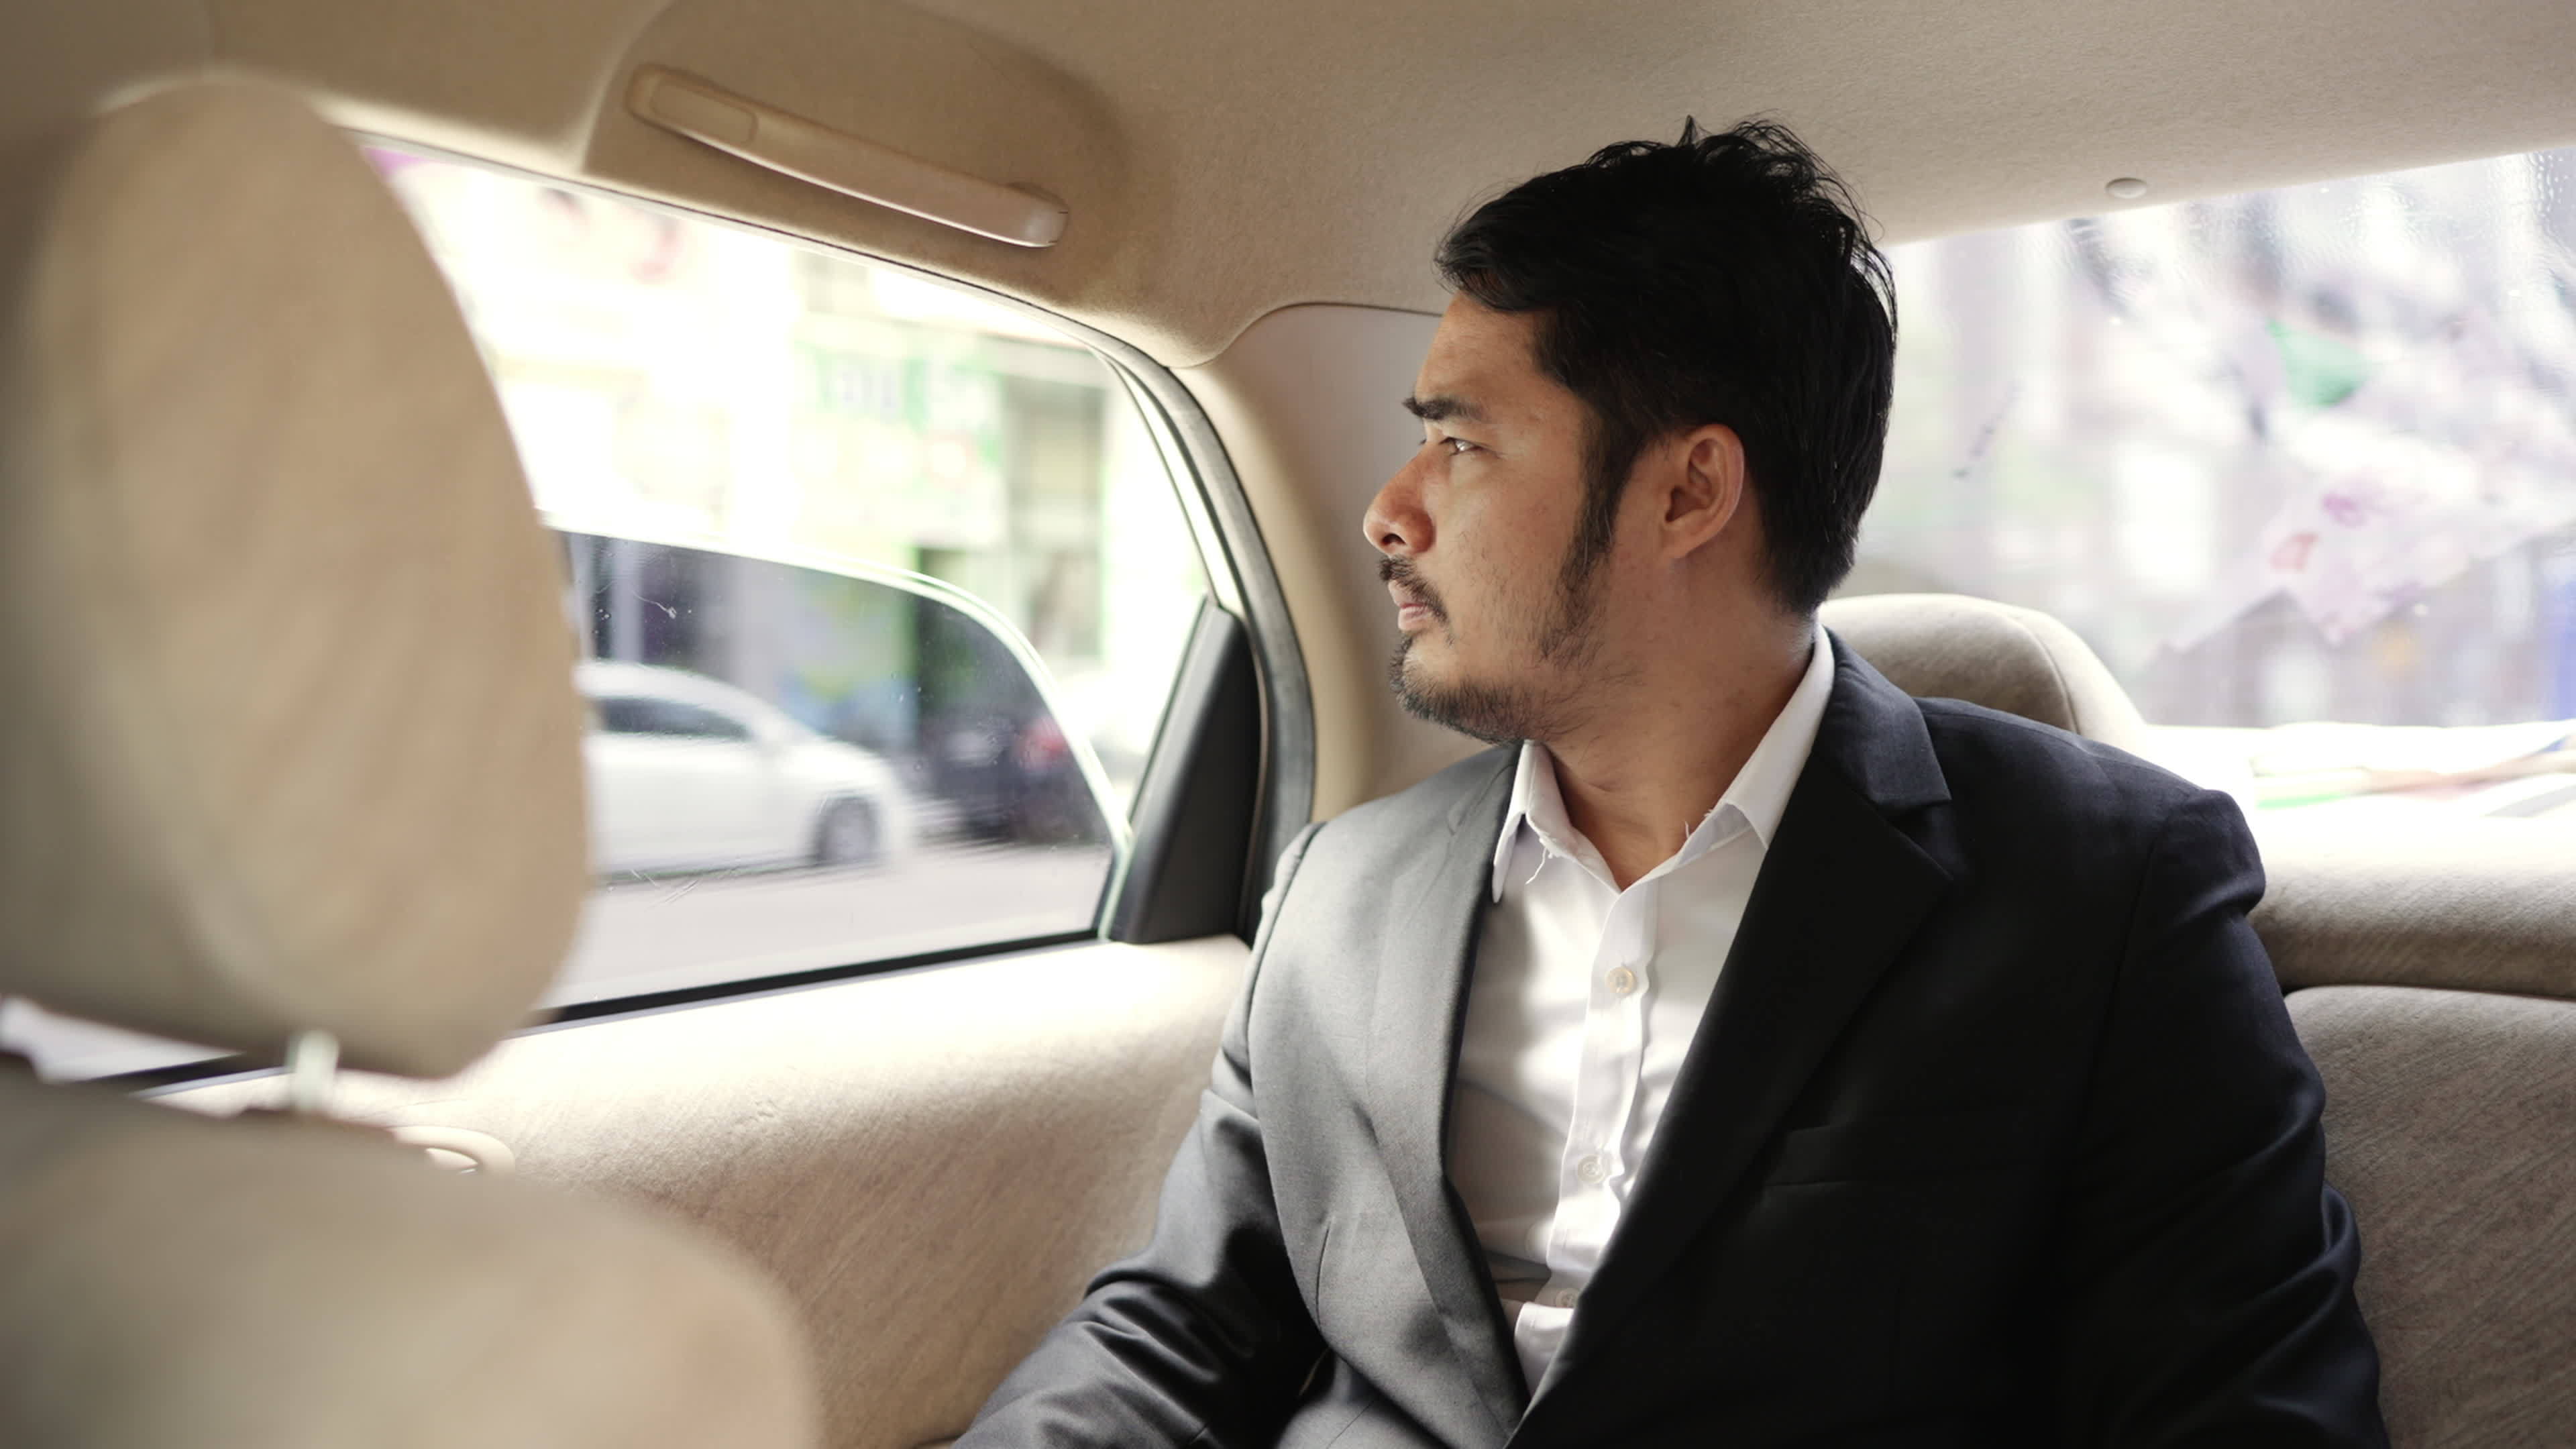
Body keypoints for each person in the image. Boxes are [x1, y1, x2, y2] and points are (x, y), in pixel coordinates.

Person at [959, 119, 2385, 1447]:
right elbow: (1187, 1330)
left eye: (1460, 441)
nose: (1390, 510)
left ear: (1690, 492)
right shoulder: (1344, 887)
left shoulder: (2109, 891)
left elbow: (2242, 1411)